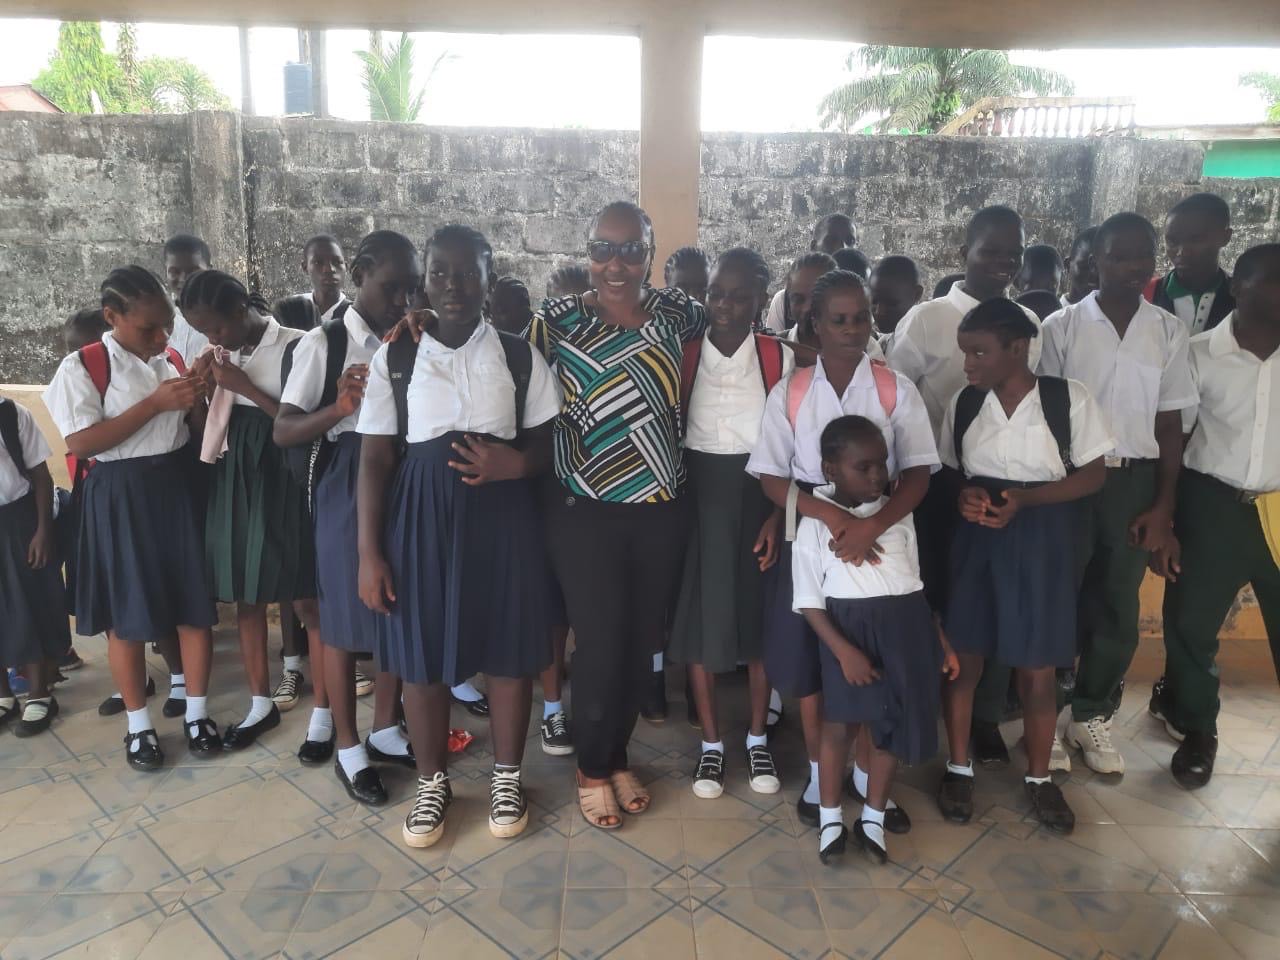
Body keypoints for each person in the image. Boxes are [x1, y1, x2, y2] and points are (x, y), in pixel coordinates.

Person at [358, 225, 560, 847]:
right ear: (424, 280)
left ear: (489, 280)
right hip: (420, 517)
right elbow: (373, 458)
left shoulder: (518, 354)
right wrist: (369, 553)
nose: (454, 285)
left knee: (506, 651)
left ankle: (506, 775)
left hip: (502, 516)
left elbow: (549, 441)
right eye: (440, 272)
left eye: (468, 272)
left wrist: (515, 464)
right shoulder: (397, 356)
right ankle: (431, 780)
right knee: (421, 655)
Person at [527, 201, 704, 829]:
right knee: (601, 643)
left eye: (632, 250)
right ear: (585, 252)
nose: (616, 263)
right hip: (584, 509)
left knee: (639, 643)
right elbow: (505, 373)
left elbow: (743, 335)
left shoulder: (678, 314)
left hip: (660, 506)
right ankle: (593, 766)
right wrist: (413, 322)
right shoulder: (556, 321)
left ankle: (615, 752)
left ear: (651, 255)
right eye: (603, 248)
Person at [748, 269, 938, 833]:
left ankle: (864, 775)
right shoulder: (793, 391)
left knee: (872, 665)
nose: (852, 329)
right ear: (815, 324)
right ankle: (818, 773)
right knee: (814, 669)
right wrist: (832, 516)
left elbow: (920, 472)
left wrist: (873, 523)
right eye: (838, 319)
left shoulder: (892, 387)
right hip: (815, 541)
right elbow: (770, 478)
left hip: (879, 552)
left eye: (861, 318)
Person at [937, 298, 1112, 832]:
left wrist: (1026, 502)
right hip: (977, 538)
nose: (968, 363)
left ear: (1018, 348)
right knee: (965, 661)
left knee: (1037, 668)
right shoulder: (966, 404)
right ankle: (958, 766)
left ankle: (1039, 778)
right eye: (965, 352)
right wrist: (964, 496)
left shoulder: (1066, 400)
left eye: (980, 352)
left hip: (1042, 535)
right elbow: (949, 473)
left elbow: (1093, 475)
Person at [1039, 212, 1198, 776]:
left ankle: (1090, 713)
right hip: (1072, 480)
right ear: (1097, 259)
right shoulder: (1060, 328)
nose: (1134, 266)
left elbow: (1170, 422)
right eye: (1121, 255)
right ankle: (1048, 719)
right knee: (1060, 599)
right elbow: (1046, 416)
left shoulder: (1167, 330)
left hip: (1134, 482)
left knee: (1116, 605)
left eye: (1144, 256)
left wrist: (1163, 504)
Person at [43, 265, 221, 771]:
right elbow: (81, 443)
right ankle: (139, 727)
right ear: (111, 316)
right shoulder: (84, 367)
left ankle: (197, 713)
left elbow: (189, 431)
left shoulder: (170, 358)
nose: (162, 337)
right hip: (118, 493)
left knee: (192, 605)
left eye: (167, 325)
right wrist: (155, 403)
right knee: (126, 617)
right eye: (149, 328)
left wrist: (196, 399)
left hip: (173, 488)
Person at [887, 206, 1042, 768]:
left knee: (993, 603)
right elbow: (894, 397)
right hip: (933, 482)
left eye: (1013, 253)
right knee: (936, 597)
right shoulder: (927, 320)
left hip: (1005, 486)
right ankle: (926, 703)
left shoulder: (1028, 322)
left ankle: (981, 719)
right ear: (964, 254)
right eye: (990, 251)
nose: (1002, 263)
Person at [275, 230, 422, 805]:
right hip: (346, 477)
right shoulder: (326, 342)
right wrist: (336, 407)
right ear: (359, 273)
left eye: (412, 289)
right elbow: (283, 428)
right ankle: (347, 743)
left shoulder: (413, 335)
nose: (403, 301)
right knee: (339, 617)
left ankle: (387, 726)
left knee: (396, 606)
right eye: (392, 288)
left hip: (402, 475)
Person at [180, 270, 332, 761]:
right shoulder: (223, 357)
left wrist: (242, 384)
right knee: (247, 593)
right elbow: (206, 428)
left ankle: (325, 714)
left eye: (217, 328)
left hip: (285, 473)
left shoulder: (298, 344)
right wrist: (204, 391)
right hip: (236, 475)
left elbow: (305, 425)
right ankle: (260, 702)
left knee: (308, 597)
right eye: (203, 332)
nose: (213, 338)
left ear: (242, 306)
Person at [795, 416, 959, 863]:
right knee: (839, 728)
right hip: (848, 634)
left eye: (881, 465)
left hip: (907, 632)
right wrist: (844, 652)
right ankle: (830, 820)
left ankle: (873, 815)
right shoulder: (814, 525)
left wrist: (938, 640)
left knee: (889, 729)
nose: (876, 476)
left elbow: (915, 584)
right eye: (862, 467)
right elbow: (809, 601)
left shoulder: (899, 515)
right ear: (830, 469)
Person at [1148, 243, 1280, 789]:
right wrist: (1166, 518)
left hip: (1278, 509)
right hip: (1210, 505)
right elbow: (1173, 441)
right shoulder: (1198, 355)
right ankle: (1199, 729)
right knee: (1191, 627)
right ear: (1238, 288)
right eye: (1272, 281)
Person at [670, 247, 791, 800]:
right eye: (717, 292)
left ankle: (758, 735)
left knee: (759, 621)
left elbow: (790, 449)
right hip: (700, 499)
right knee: (701, 621)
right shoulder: (686, 353)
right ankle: (713, 745)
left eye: (740, 295)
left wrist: (775, 512)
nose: (725, 304)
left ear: (761, 300)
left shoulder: (777, 358)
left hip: (758, 495)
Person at [0, 394, 70, 738]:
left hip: (18, 519)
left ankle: (39, 693)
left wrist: (43, 530)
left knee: (32, 602)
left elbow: (41, 475)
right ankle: (4, 696)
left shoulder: (12, 415)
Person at [1145, 193, 1235, 334]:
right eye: (1172, 241)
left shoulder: (1242, 298)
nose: (1181, 251)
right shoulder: (1145, 295)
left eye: (1195, 240)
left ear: (1225, 237)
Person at [764, 215, 858, 331]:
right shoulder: (785, 300)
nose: (842, 247)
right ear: (814, 247)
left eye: (850, 241)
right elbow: (773, 346)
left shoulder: (865, 298)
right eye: (831, 241)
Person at [163, 234, 213, 365]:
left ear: (210, 270)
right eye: (174, 272)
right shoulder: (158, 322)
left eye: (193, 271)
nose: (184, 279)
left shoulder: (225, 320)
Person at [867, 256, 923, 355]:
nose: (879, 312)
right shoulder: (874, 343)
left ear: (917, 294)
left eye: (891, 303)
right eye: (874, 301)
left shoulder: (922, 347)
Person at [1063, 227, 1099, 308]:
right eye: (1085, 267)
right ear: (1068, 265)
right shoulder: (1051, 317)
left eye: (1100, 268)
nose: (1094, 274)